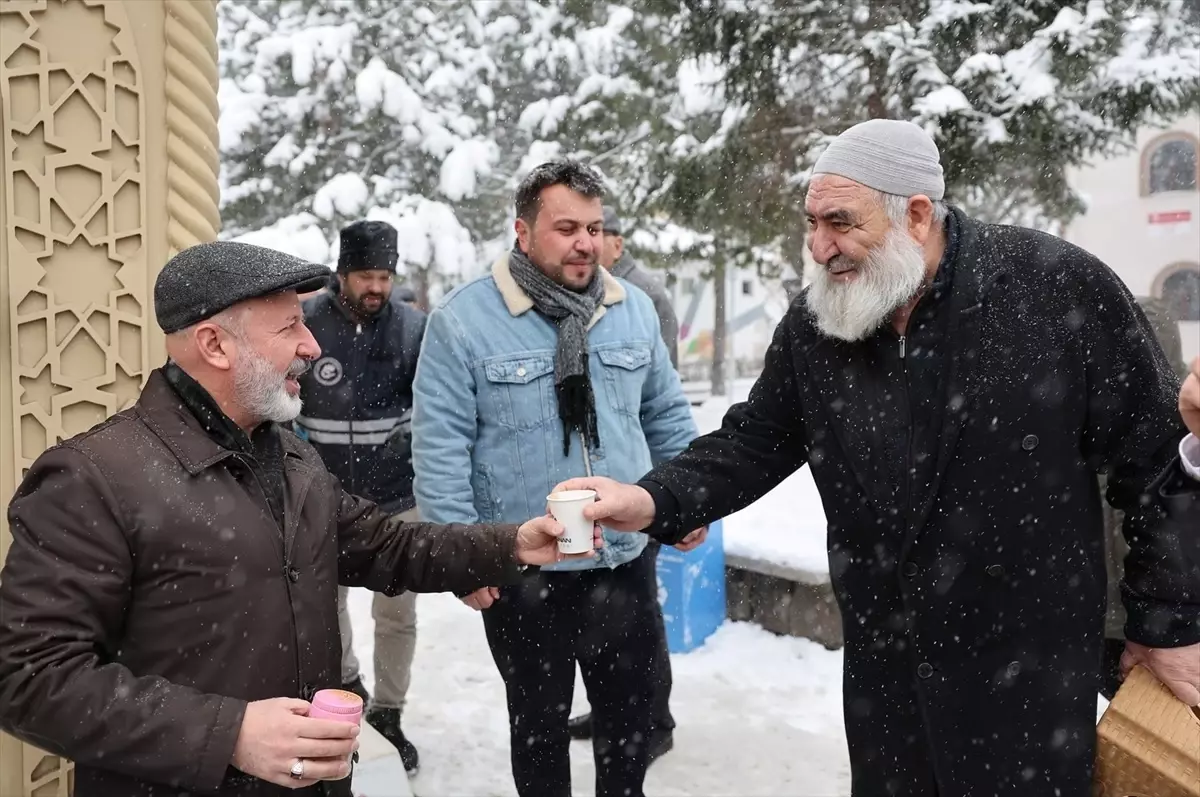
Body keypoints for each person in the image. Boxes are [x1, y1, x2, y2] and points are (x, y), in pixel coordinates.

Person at [556, 120, 1200, 797]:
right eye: (811, 222)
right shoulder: (819, 322)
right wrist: (655, 498)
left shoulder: (1057, 289)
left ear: (916, 215)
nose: (819, 246)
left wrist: (1169, 624)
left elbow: (1160, 464)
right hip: (887, 673)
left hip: (1026, 670)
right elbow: (754, 439)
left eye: (839, 222)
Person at [0, 241, 592, 797]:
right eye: (290, 326)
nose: (312, 346)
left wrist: (512, 543)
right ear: (215, 345)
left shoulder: (288, 454)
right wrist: (227, 733)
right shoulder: (92, 477)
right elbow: (27, 678)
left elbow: (384, 545)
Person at [410, 160, 701, 797]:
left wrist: (684, 503)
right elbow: (439, 447)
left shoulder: (632, 310)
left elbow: (666, 414)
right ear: (523, 230)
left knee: (629, 729)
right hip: (523, 568)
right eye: (566, 227)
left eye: (594, 228)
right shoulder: (463, 320)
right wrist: (464, 555)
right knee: (538, 733)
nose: (585, 243)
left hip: (624, 561)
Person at [294, 220, 427, 774]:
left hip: (396, 497)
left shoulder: (414, 328)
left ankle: (391, 712)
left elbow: (439, 407)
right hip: (321, 496)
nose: (376, 287)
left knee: (396, 613)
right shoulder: (306, 323)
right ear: (342, 275)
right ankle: (351, 688)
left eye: (384, 276)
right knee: (328, 604)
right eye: (366, 276)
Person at [566, 205, 681, 758]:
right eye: (578, 232)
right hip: (583, 517)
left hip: (634, 495)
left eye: (598, 233)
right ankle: (614, 708)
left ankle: (654, 718)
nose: (589, 245)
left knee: (640, 622)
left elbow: (660, 399)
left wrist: (670, 495)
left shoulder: (641, 297)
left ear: (616, 241)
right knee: (604, 632)